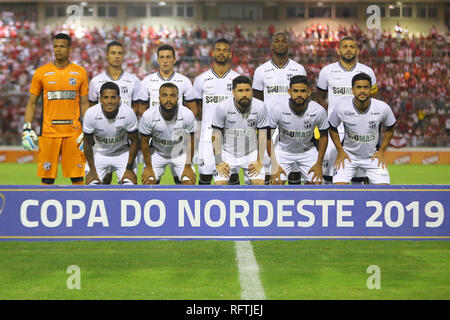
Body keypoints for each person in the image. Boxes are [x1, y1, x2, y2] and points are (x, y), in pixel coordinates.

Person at [22, 33, 89, 185]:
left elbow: (85, 104)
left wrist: (87, 128)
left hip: (73, 133)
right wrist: (26, 127)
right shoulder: (41, 72)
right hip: (48, 132)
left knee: (78, 178)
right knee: (47, 179)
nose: (58, 50)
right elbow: (32, 102)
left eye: (62, 46)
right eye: (55, 46)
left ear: (69, 49)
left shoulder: (80, 72)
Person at [316, 36, 378, 184]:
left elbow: (374, 100)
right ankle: (330, 203)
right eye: (345, 47)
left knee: (359, 175)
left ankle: (358, 204)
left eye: (352, 47)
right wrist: (329, 116)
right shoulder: (327, 71)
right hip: (334, 129)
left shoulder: (367, 72)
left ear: (357, 50)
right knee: (329, 173)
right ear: (338, 50)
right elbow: (319, 98)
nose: (348, 49)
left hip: (360, 129)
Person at [252, 32, 307, 184]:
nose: (281, 44)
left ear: (288, 45)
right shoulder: (261, 71)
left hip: (294, 126)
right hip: (269, 128)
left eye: (284, 41)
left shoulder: (299, 69)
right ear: (272, 45)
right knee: (270, 170)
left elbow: (304, 97)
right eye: (277, 41)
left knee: (294, 172)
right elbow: (257, 102)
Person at [88, 40, 144, 183]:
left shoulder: (133, 80)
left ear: (124, 56)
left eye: (120, 53)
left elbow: (138, 109)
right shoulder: (95, 81)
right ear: (107, 56)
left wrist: (123, 123)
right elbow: (92, 110)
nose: (116, 56)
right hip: (102, 142)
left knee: (128, 182)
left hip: (125, 140)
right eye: (113, 53)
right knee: (104, 181)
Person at [328, 73, 396, 185]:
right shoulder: (341, 108)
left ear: (371, 90)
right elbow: (332, 127)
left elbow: (391, 126)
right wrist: (340, 151)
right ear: (353, 90)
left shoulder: (383, 108)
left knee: (384, 191)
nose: (362, 91)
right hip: (348, 157)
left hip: (373, 157)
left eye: (366, 87)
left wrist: (381, 151)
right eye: (358, 87)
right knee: (338, 190)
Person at [192, 38, 240, 185]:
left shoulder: (237, 79)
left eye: (225, 50)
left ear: (230, 54)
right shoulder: (201, 79)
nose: (221, 53)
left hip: (231, 137)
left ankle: (234, 207)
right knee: (205, 178)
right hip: (207, 136)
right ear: (213, 52)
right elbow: (197, 107)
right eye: (218, 49)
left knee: (231, 178)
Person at [268, 75, 329, 185]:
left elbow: (324, 136)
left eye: (303, 91)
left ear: (309, 92)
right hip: (283, 151)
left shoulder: (318, 111)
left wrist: (319, 163)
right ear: (289, 92)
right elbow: (267, 136)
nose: (299, 95)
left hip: (307, 151)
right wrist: (274, 163)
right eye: (295, 91)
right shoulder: (277, 109)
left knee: (317, 183)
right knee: (275, 183)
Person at [211, 76, 269, 185]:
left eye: (247, 90)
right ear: (233, 92)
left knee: (260, 185)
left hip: (251, 153)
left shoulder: (260, 107)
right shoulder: (223, 107)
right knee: (219, 186)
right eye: (240, 90)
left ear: (251, 91)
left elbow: (262, 135)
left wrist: (259, 161)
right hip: (227, 153)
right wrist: (218, 161)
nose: (244, 94)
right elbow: (216, 135)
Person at [139, 83, 197, 185]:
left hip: (179, 153)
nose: (168, 99)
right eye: (165, 95)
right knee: (148, 183)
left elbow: (191, 141)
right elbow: (144, 142)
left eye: (173, 96)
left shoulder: (187, 114)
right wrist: (148, 167)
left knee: (189, 183)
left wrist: (188, 167)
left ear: (178, 98)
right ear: (159, 98)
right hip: (157, 153)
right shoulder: (148, 115)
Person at [83, 82, 139, 185]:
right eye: (106, 98)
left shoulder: (128, 113)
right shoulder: (91, 114)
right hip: (99, 154)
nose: (109, 101)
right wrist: (92, 169)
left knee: (130, 185)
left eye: (113, 97)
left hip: (122, 153)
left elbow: (135, 141)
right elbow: (87, 143)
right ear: (100, 100)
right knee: (92, 186)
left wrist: (129, 168)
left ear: (119, 99)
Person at [140, 44, 198, 116]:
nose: (165, 61)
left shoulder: (185, 81)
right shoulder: (147, 81)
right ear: (158, 60)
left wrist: (182, 124)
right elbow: (142, 109)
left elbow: (193, 110)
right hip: (154, 127)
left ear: (174, 60)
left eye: (168, 57)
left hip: (178, 126)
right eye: (162, 57)